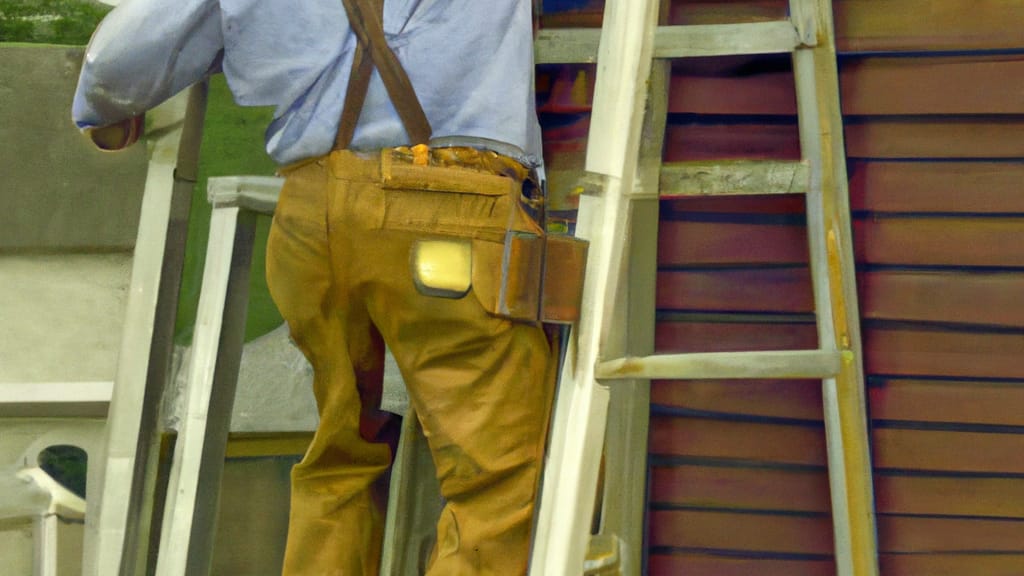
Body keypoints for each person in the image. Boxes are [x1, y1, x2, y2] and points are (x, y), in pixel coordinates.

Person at [73, 1, 557, 574]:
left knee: (339, 462)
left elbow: (116, 65)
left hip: (313, 214)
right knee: (496, 481)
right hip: (456, 209)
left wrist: (107, 116)